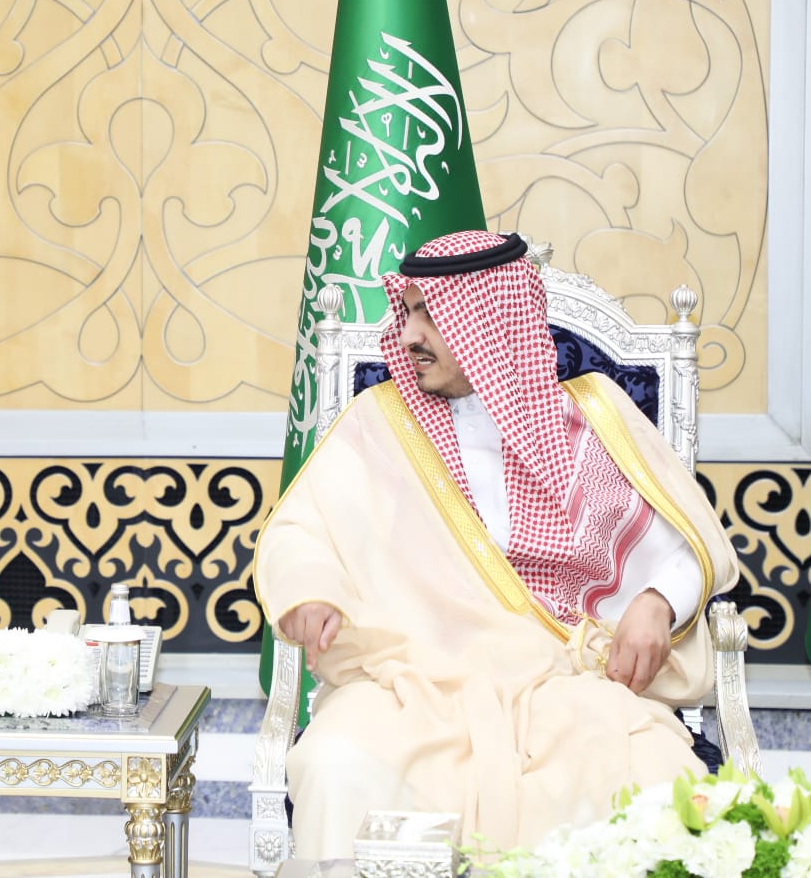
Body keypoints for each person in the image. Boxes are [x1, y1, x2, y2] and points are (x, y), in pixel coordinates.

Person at [256, 229, 737, 860]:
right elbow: (304, 528)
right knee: (335, 763)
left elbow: (689, 543)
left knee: (658, 779)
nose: (408, 335)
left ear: (490, 321)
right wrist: (310, 591)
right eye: (408, 312)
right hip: (411, 684)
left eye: (430, 314)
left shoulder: (595, 419)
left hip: (566, 683)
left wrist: (656, 602)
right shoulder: (381, 424)